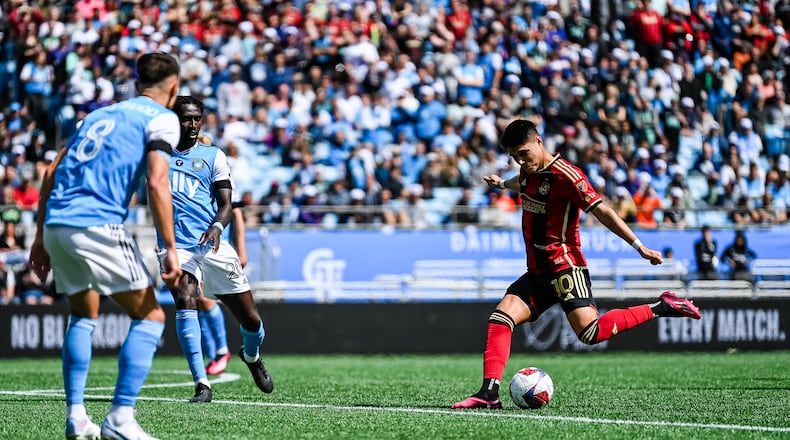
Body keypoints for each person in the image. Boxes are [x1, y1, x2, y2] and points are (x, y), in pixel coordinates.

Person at [451, 119, 701, 410]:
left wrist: (639, 246)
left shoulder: (567, 176)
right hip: (538, 271)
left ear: (538, 142)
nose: (521, 161)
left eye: (523, 153)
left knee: (590, 333)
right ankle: (489, 394)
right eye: (515, 157)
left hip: (565, 267)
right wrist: (502, 184)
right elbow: (523, 182)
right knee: (500, 318)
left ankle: (662, 306)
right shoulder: (527, 170)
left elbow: (603, 211)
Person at [28, 52, 183, 440]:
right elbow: (158, 181)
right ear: (174, 88)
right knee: (150, 318)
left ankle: (77, 417)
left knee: (83, 315)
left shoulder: (96, 116)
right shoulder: (162, 118)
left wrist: (39, 237)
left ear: (136, 83)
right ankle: (120, 418)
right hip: (96, 223)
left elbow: (51, 171)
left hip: (58, 223)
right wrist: (170, 247)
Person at [160, 96, 272, 403]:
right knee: (185, 297)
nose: (193, 125)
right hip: (176, 246)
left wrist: (218, 227)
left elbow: (226, 206)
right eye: (186, 119)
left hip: (214, 243)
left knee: (251, 322)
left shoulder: (213, 156)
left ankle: (251, 357)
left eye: (197, 119)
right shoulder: (157, 156)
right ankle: (202, 384)